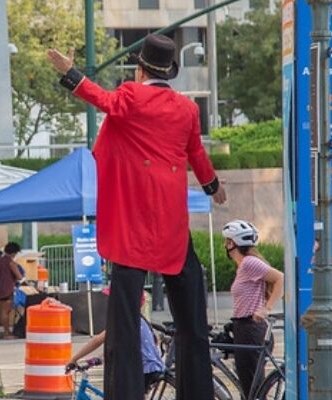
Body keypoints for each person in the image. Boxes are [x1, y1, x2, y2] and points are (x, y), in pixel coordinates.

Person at [47, 34, 227, 399]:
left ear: (139, 70)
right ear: (169, 71)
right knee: (192, 321)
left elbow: (102, 99)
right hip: (171, 221)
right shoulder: (187, 109)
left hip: (133, 220)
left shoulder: (131, 96)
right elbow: (196, 154)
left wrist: (70, 73)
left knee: (124, 323)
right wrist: (212, 186)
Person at [223, 220, 284, 396]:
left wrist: (266, 308)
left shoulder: (249, 263)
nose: (224, 245)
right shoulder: (244, 266)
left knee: (253, 391)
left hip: (251, 330)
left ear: (231, 243)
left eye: (226, 241)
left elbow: (280, 278)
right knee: (249, 388)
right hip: (244, 328)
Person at [66, 292, 164, 390]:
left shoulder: (123, 321)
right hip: (152, 366)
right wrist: (100, 358)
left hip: (142, 369)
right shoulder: (140, 319)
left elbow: (97, 340)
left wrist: (74, 359)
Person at [0, 243, 23, 339]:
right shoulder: (11, 263)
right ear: (13, 253)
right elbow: (19, 276)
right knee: (6, 312)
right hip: (8, 289)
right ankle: (6, 333)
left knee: (3, 311)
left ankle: (7, 332)